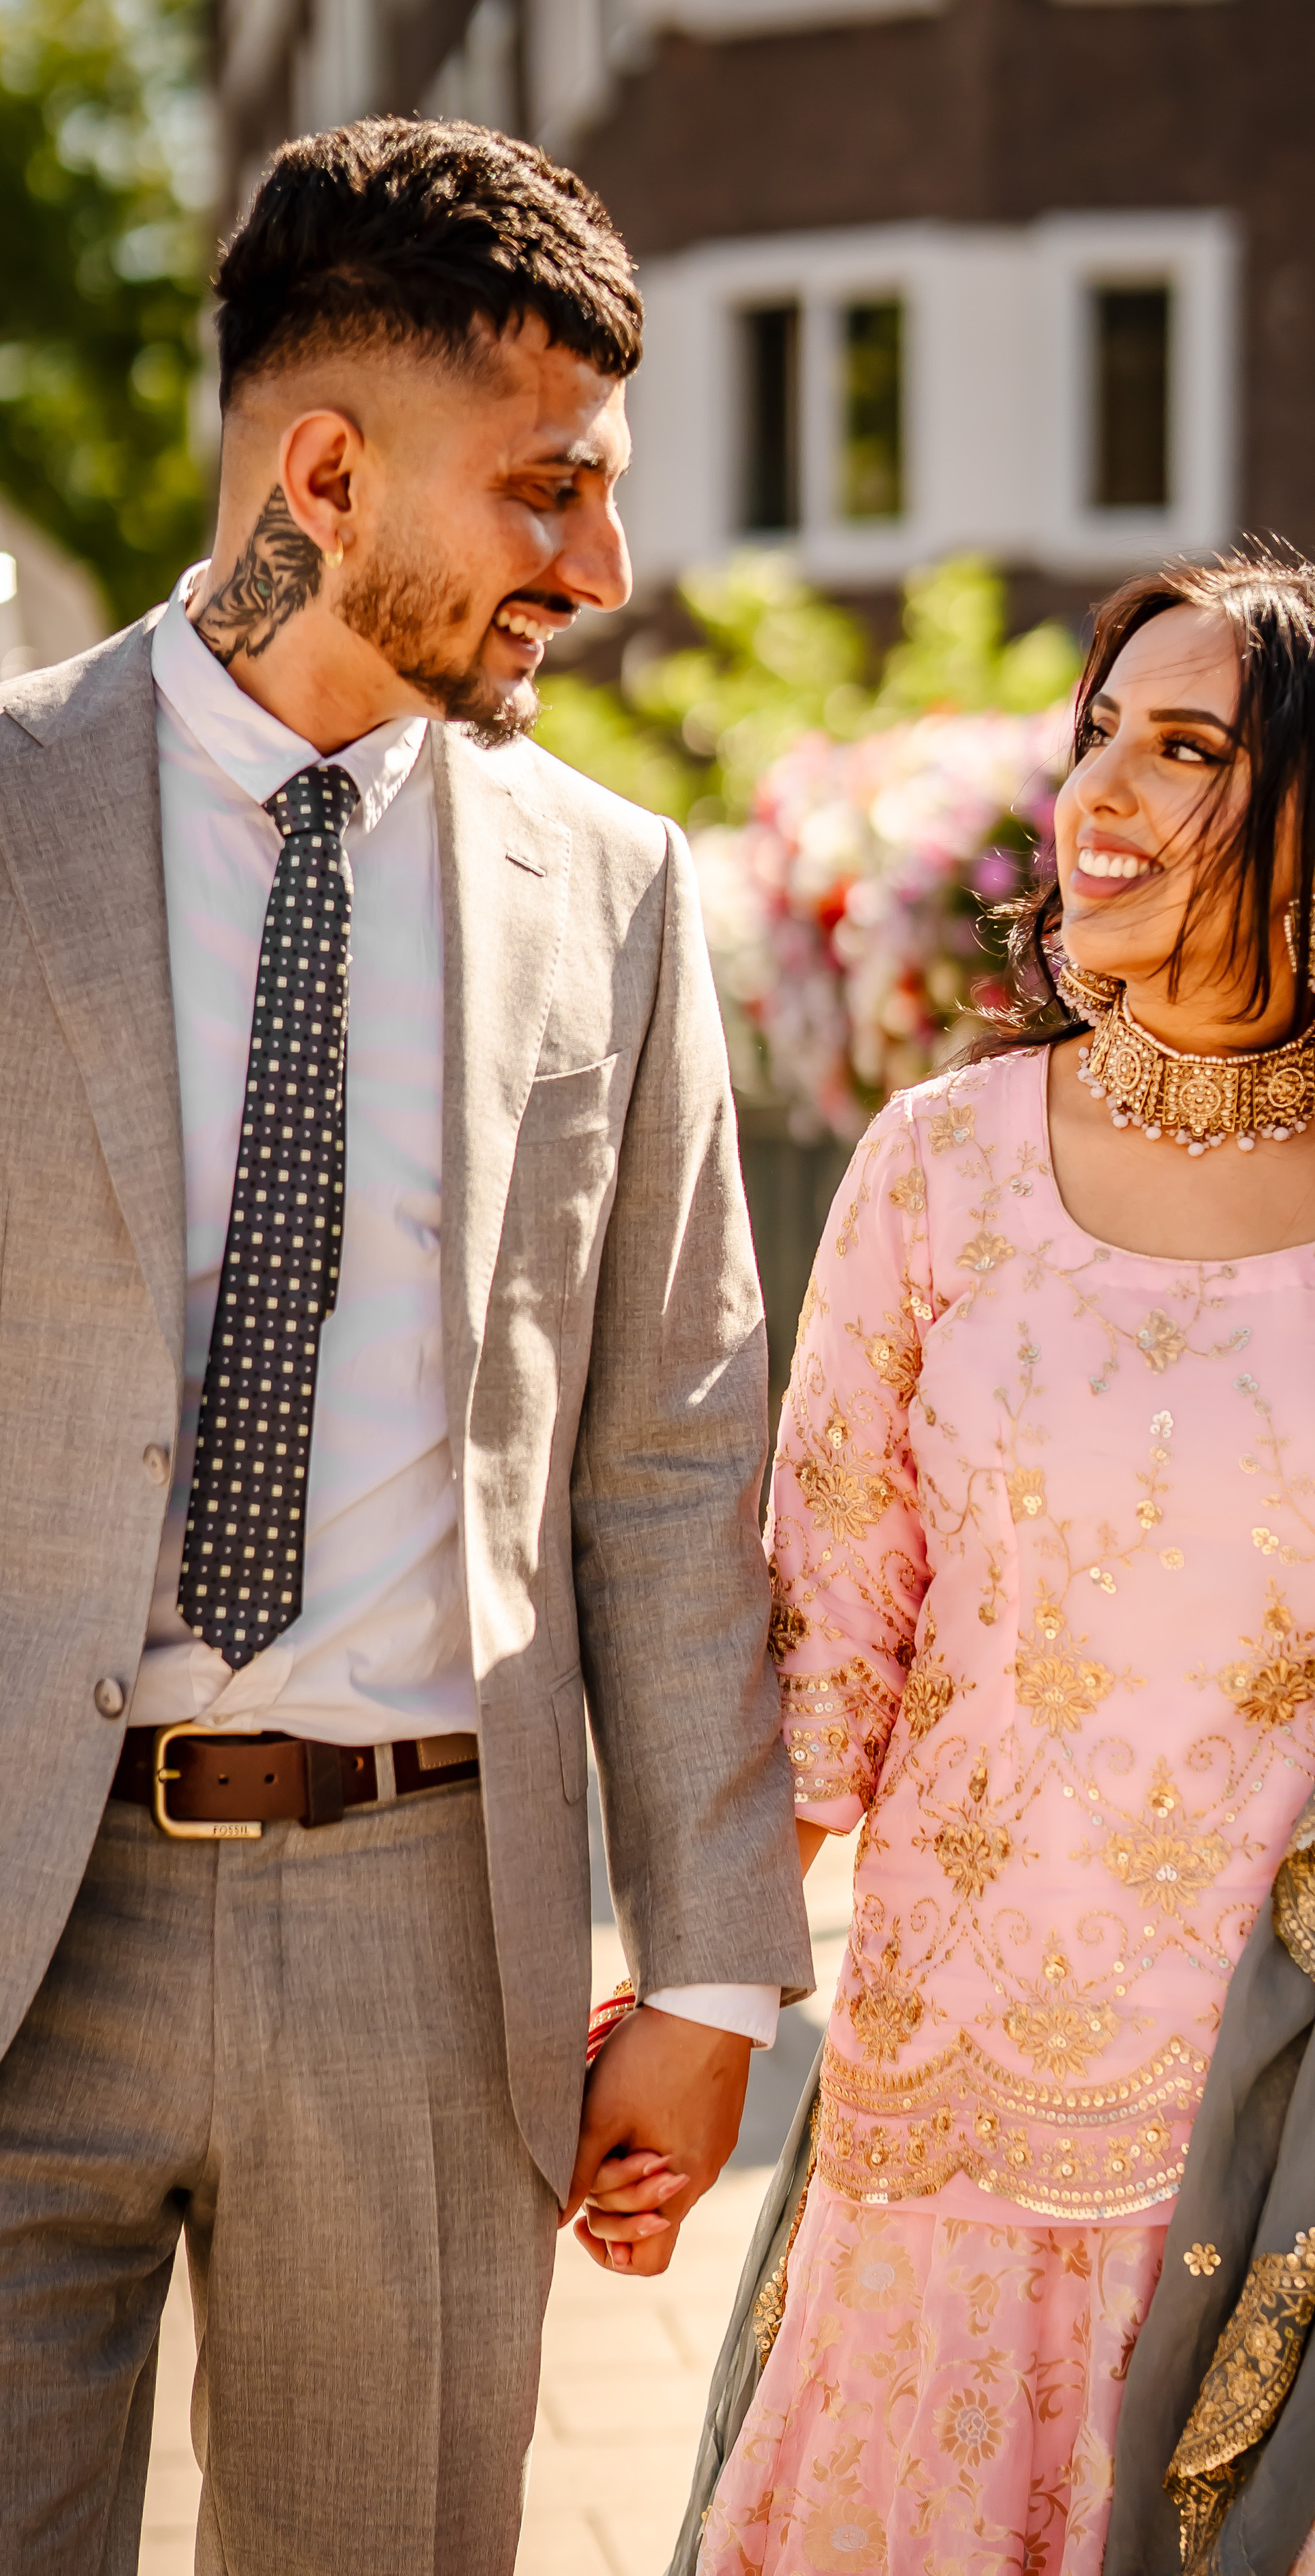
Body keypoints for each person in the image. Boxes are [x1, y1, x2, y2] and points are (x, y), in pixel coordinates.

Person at [633, 553, 1315, 2573]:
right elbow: (828, 1656)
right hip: (977, 2134)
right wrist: (699, 2008)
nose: (1103, 792)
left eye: (1188, 747)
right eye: (1100, 736)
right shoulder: (940, 1170)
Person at [0, 117, 810, 2575]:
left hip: (424, 1925)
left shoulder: (618, 889)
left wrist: (715, 1966)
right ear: (326, 471)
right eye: (550, 487)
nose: (609, 563)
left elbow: (672, 1438)